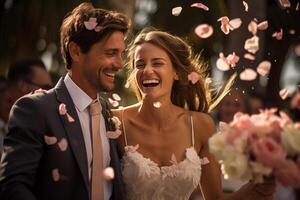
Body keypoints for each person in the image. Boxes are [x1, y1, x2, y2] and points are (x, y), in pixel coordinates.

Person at [113, 30, 275, 200]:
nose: (146, 70)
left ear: (176, 72)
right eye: (140, 65)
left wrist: (260, 183)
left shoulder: (200, 125)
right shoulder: (117, 122)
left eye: (157, 63)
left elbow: (215, 199)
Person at [0, 2, 130, 200]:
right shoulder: (34, 109)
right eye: (111, 53)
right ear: (76, 51)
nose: (120, 64)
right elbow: (13, 186)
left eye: (121, 54)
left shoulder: (109, 115)